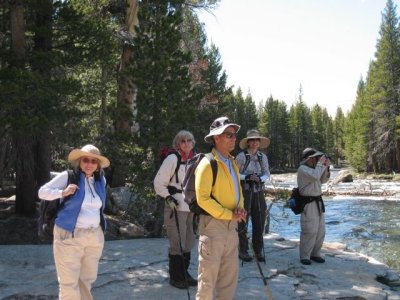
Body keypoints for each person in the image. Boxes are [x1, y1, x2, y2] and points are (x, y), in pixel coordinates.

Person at [38, 144, 109, 300]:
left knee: (86, 280)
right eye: (86, 160)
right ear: (79, 161)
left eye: (93, 161)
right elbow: (42, 192)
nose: (89, 164)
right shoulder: (68, 176)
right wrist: (62, 192)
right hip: (69, 234)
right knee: (69, 283)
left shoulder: (100, 180)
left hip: (93, 236)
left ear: (97, 165)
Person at [195, 116, 247, 300]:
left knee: (228, 281)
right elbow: (203, 199)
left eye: (234, 135)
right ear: (216, 138)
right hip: (212, 228)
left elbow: (238, 191)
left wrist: (240, 209)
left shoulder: (232, 162)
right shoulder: (207, 163)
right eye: (229, 134)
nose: (234, 138)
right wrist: (228, 214)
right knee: (207, 283)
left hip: (231, 228)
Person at [153, 130, 197, 289]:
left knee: (189, 241)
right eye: (183, 141)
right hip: (176, 206)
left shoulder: (195, 159)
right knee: (176, 242)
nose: (186, 143)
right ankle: (176, 277)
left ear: (193, 142)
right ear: (177, 144)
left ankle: (185, 274)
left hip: (191, 206)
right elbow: (158, 183)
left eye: (189, 140)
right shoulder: (172, 159)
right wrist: (168, 198)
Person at [236, 129, 271, 262]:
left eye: (257, 140)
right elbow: (234, 174)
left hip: (259, 191)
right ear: (248, 142)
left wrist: (260, 179)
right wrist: (247, 177)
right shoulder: (241, 157)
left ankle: (258, 250)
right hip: (244, 191)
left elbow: (267, 173)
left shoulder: (263, 157)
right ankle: (243, 250)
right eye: (252, 140)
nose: (255, 142)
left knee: (260, 220)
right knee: (243, 220)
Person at [297, 147, 331, 265]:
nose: (317, 160)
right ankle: (305, 256)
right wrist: (321, 164)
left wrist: (326, 166)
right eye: (316, 158)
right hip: (308, 203)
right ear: (309, 158)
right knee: (309, 230)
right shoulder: (303, 169)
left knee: (320, 230)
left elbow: (323, 180)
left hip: (318, 201)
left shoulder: (315, 168)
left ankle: (315, 254)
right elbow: (315, 176)